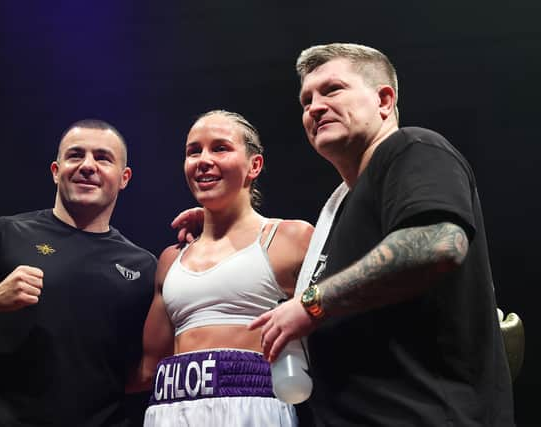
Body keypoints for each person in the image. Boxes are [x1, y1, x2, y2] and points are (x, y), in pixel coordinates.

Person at [175, 43, 515, 426]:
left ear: (384, 100)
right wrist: (219, 223)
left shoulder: (413, 149)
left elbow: (438, 242)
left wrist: (311, 304)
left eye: (332, 90)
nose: (315, 107)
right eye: (306, 101)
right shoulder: (339, 210)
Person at [0, 119, 157, 427]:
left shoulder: (143, 267)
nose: (87, 165)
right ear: (56, 171)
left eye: (102, 157)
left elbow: (145, 371)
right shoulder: (1, 234)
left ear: (124, 178)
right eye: (75, 155)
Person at [131, 110, 314, 426]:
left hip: (253, 407)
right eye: (193, 151)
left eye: (219, 148)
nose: (203, 159)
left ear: (253, 165)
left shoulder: (290, 238)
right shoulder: (171, 259)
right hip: (168, 409)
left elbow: (343, 317)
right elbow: (149, 368)